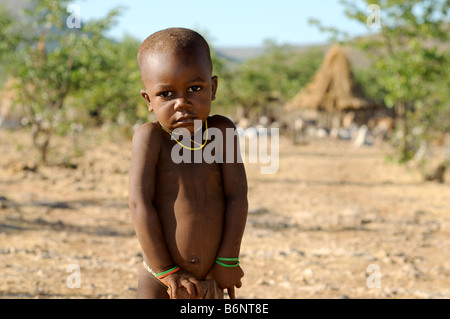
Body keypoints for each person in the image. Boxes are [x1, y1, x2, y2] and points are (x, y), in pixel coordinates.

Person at [128, 27, 248, 299]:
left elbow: (237, 196)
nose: (182, 103)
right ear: (148, 100)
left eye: (195, 89)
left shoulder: (221, 131)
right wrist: (166, 271)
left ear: (213, 88)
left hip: (211, 279)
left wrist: (228, 260)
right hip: (161, 281)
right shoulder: (151, 139)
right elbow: (139, 204)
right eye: (166, 94)